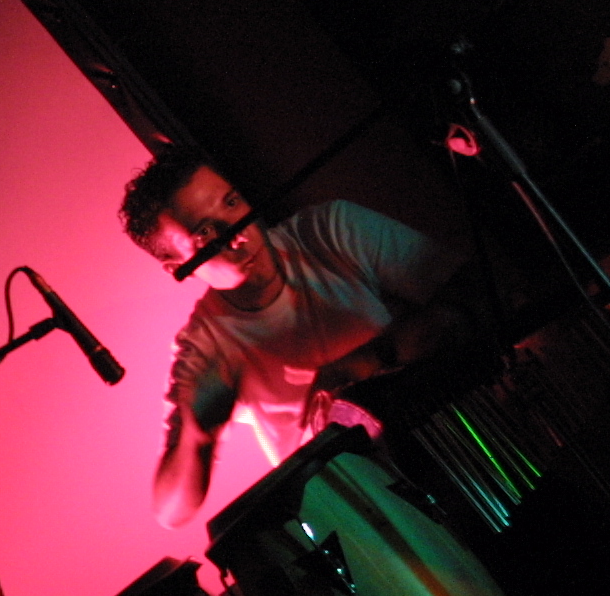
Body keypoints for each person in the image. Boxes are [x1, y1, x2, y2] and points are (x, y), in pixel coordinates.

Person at [121, 147, 465, 527]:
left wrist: (363, 362)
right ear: (177, 266)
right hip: (364, 516)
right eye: (205, 232)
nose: (237, 234)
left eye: (232, 203)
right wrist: (198, 433)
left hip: (453, 437)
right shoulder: (205, 346)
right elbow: (171, 512)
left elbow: (468, 293)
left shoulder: (332, 229)